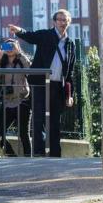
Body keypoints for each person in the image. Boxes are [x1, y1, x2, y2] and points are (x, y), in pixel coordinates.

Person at [9, 9, 76, 157]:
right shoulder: (46, 35)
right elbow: (31, 36)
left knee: (54, 121)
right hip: (40, 83)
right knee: (39, 118)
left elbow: (70, 73)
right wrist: (18, 30)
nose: (62, 23)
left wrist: (70, 94)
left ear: (69, 23)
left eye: (65, 20)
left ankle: (55, 154)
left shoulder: (70, 44)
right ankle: (39, 153)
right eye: (59, 20)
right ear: (54, 21)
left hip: (58, 86)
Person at [0, 39, 32, 156]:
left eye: (11, 45)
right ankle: (12, 155)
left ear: (17, 46)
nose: (9, 48)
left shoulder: (21, 60)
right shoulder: (2, 63)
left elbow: (30, 70)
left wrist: (19, 54)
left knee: (23, 134)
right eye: (6, 46)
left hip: (22, 101)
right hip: (7, 102)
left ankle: (29, 159)